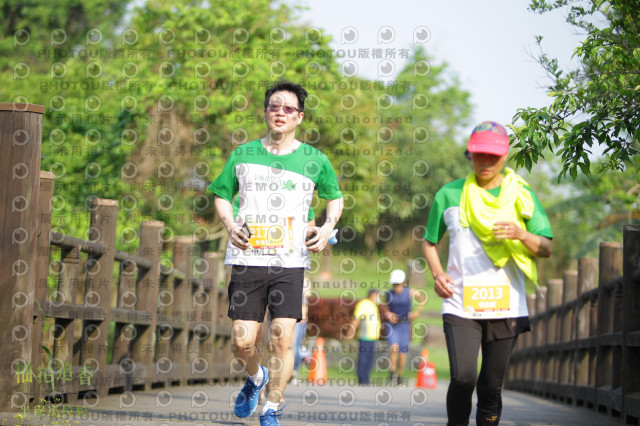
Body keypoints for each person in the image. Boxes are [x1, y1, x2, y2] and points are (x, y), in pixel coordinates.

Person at [209, 79, 344, 426]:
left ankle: (272, 407)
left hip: (290, 263)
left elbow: (335, 198)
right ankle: (257, 377)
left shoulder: (315, 159)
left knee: (282, 337)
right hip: (247, 259)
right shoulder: (243, 154)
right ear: (266, 112)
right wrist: (230, 225)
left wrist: (326, 228)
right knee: (242, 342)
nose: (280, 112)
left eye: (288, 108)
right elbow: (221, 195)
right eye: (274, 106)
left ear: (299, 117)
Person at [422, 121, 553, 426]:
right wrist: (438, 274)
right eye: (479, 154)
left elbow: (546, 248)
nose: (486, 161)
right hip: (460, 303)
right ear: (470, 154)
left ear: (505, 156)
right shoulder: (448, 194)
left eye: (493, 155)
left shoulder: (522, 194)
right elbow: (429, 242)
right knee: (464, 377)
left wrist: (521, 234)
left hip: (507, 305)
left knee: (491, 386)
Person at [381, 269, 425, 386]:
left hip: (404, 325)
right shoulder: (389, 293)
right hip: (392, 325)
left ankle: (399, 374)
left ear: (403, 282)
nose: (396, 286)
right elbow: (384, 305)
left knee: (402, 353)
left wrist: (417, 312)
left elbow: (422, 299)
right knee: (394, 347)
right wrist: (388, 314)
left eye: (398, 284)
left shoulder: (410, 292)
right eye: (394, 284)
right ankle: (392, 371)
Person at [345, 288, 381, 385]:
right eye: (377, 295)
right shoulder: (364, 304)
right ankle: (362, 378)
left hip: (373, 337)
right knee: (363, 358)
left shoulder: (373, 305)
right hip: (365, 336)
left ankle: (366, 378)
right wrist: (351, 332)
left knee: (369, 359)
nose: (379, 298)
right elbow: (356, 319)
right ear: (373, 295)